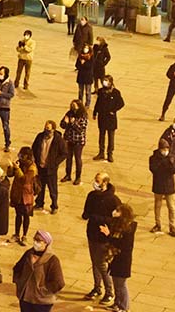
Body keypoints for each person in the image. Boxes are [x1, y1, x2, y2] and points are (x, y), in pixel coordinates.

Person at [81, 171, 119, 304]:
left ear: (105, 183)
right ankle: (97, 288)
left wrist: (98, 218)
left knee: (102, 264)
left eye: (98, 180)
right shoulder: (91, 195)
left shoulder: (113, 200)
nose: (95, 183)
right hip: (92, 233)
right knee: (94, 262)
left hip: (104, 236)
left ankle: (109, 292)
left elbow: (117, 219)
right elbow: (85, 213)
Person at [12, 230, 65, 312]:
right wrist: (20, 283)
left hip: (42, 302)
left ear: (46, 243)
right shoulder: (28, 254)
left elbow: (58, 283)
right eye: (35, 239)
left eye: (39, 240)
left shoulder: (52, 260)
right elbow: (17, 268)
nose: (36, 243)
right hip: (25, 298)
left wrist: (42, 291)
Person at [101, 202, 136, 312]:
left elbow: (122, 244)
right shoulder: (118, 224)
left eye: (118, 211)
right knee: (116, 284)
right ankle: (117, 303)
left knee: (121, 285)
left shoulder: (128, 229)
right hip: (115, 259)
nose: (115, 212)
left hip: (122, 261)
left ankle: (124, 307)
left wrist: (108, 235)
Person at [32, 120, 66, 214]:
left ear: (53, 129)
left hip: (51, 169)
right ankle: (39, 203)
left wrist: (55, 163)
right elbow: (34, 148)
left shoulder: (58, 140)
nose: (46, 130)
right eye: (45, 128)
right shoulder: (40, 136)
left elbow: (64, 153)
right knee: (40, 187)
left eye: (48, 128)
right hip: (40, 167)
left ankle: (54, 206)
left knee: (52, 189)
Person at [149, 138, 175, 236]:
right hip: (158, 184)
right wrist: (165, 163)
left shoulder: (172, 157)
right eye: (164, 149)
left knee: (171, 206)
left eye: (167, 149)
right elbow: (154, 169)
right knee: (157, 205)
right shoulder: (153, 157)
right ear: (160, 149)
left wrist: (170, 163)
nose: (165, 151)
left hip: (169, 185)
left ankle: (172, 225)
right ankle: (158, 224)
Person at [8, 147, 37, 246]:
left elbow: (25, 180)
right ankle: (16, 234)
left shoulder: (32, 167)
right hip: (17, 193)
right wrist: (11, 167)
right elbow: (10, 174)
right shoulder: (19, 162)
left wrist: (17, 169)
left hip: (26, 195)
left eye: (22, 154)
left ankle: (24, 235)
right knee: (18, 214)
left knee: (26, 215)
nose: (20, 156)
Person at [92, 75, 124, 163]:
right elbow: (98, 102)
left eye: (106, 81)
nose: (104, 82)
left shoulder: (116, 92)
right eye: (104, 81)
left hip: (110, 118)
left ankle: (110, 153)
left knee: (111, 136)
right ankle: (101, 152)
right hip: (102, 116)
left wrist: (113, 110)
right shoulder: (101, 91)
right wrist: (95, 112)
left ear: (110, 82)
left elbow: (121, 103)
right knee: (101, 135)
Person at [59, 100, 88, 185]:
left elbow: (81, 129)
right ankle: (68, 175)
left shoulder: (83, 115)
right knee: (68, 158)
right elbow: (62, 125)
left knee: (77, 158)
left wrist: (73, 123)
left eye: (74, 106)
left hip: (78, 140)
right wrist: (65, 122)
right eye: (72, 105)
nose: (73, 107)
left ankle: (78, 177)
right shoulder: (69, 113)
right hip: (69, 139)